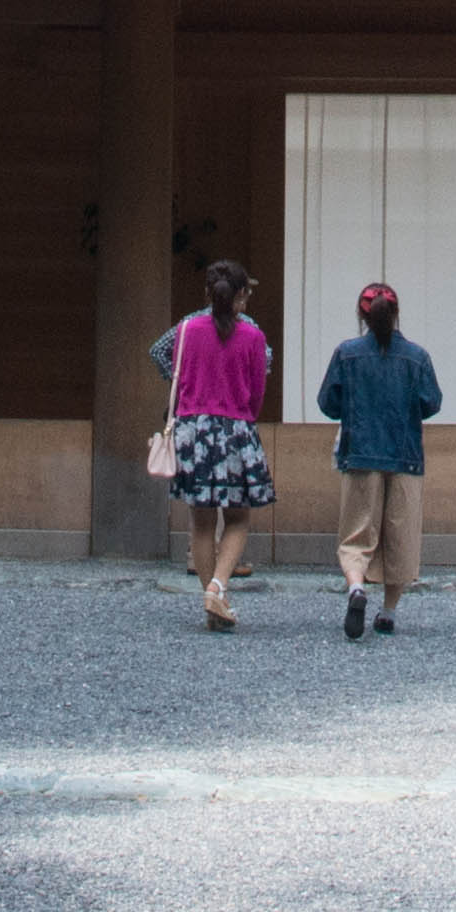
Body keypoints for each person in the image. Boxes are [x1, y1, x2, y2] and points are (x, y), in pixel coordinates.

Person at [314, 277, 443, 639]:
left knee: (357, 533)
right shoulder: (417, 357)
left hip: (360, 456)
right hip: (406, 459)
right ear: (396, 314)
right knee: (399, 536)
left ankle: (357, 588)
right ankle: (387, 612)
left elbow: (327, 403)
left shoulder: (347, 352)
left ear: (362, 314)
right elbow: (431, 403)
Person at [156, 254, 279, 631]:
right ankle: (218, 587)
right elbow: (257, 393)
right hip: (235, 429)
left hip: (193, 429)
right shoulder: (253, 336)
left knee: (202, 521)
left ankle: (212, 602)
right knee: (239, 517)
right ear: (241, 294)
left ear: (208, 293)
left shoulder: (187, 330)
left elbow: (164, 360)